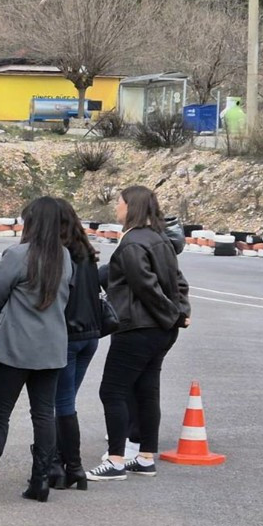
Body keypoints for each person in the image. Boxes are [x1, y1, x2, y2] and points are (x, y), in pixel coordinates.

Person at [0, 196, 72, 503]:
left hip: (15, 347)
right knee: (44, 414)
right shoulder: (65, 257)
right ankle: (41, 479)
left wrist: (10, 317)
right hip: (52, 347)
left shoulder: (17, 255)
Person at [87, 186, 190, 482]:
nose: (116, 208)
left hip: (137, 328)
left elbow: (146, 287)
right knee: (147, 390)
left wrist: (172, 314)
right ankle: (145, 457)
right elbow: (180, 282)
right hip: (160, 332)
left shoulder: (132, 243)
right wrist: (180, 312)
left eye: (119, 203)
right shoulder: (160, 239)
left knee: (112, 390)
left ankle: (116, 460)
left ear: (131, 207)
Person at [50, 199, 102, 491]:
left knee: (61, 403)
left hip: (68, 335)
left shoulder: (60, 255)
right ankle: (70, 466)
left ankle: (66, 465)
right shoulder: (86, 252)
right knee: (66, 401)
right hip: (90, 335)